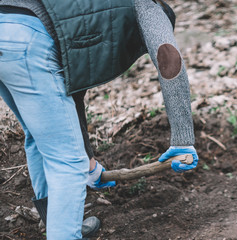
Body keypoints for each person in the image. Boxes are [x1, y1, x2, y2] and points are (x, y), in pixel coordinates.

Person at [0, 0, 198, 239]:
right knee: (68, 164)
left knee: (39, 135)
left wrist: (90, 163)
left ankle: (56, 223)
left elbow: (73, 91)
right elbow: (170, 59)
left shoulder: (89, 11)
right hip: (29, 38)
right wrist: (183, 140)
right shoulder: (147, 6)